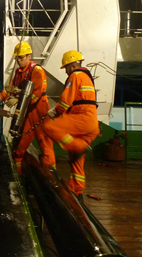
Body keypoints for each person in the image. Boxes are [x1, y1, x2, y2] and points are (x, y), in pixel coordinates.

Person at [41, 50, 99, 202]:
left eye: (66, 68)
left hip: (81, 119)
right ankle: (77, 193)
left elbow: (66, 101)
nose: (66, 72)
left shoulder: (76, 76)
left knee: (49, 127)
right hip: (91, 123)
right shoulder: (87, 78)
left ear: (73, 65)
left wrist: (54, 112)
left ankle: (79, 146)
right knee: (76, 160)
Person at [0, 42, 56, 173]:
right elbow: (11, 88)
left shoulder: (36, 70)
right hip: (27, 112)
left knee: (45, 144)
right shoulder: (19, 72)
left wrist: (19, 98)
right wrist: (0, 97)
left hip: (39, 110)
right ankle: (19, 175)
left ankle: (52, 178)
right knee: (20, 146)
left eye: (21, 57)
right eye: (17, 58)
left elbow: (36, 95)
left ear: (29, 56)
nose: (19, 60)